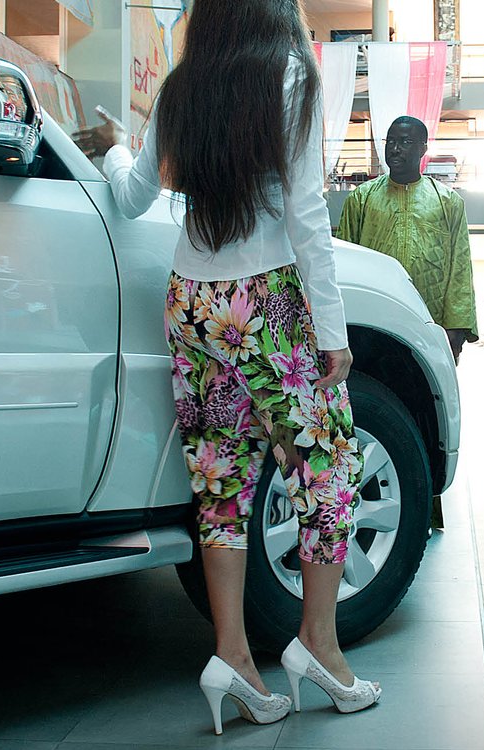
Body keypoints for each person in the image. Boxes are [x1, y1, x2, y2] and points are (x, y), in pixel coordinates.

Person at [73, 0, 380, 735]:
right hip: (266, 299)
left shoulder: (184, 86)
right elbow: (309, 217)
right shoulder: (290, 76)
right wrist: (332, 333)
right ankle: (320, 648)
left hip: (191, 300)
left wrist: (116, 146)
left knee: (219, 480)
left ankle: (234, 658)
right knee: (329, 475)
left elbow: (131, 192)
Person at [337, 116, 479, 361]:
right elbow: (343, 263)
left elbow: (460, 267)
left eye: (405, 142)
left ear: (423, 148)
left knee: (426, 390)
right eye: (390, 141)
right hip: (374, 318)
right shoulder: (361, 199)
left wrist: (457, 325)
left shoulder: (447, 201)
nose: (395, 149)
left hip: (429, 318)